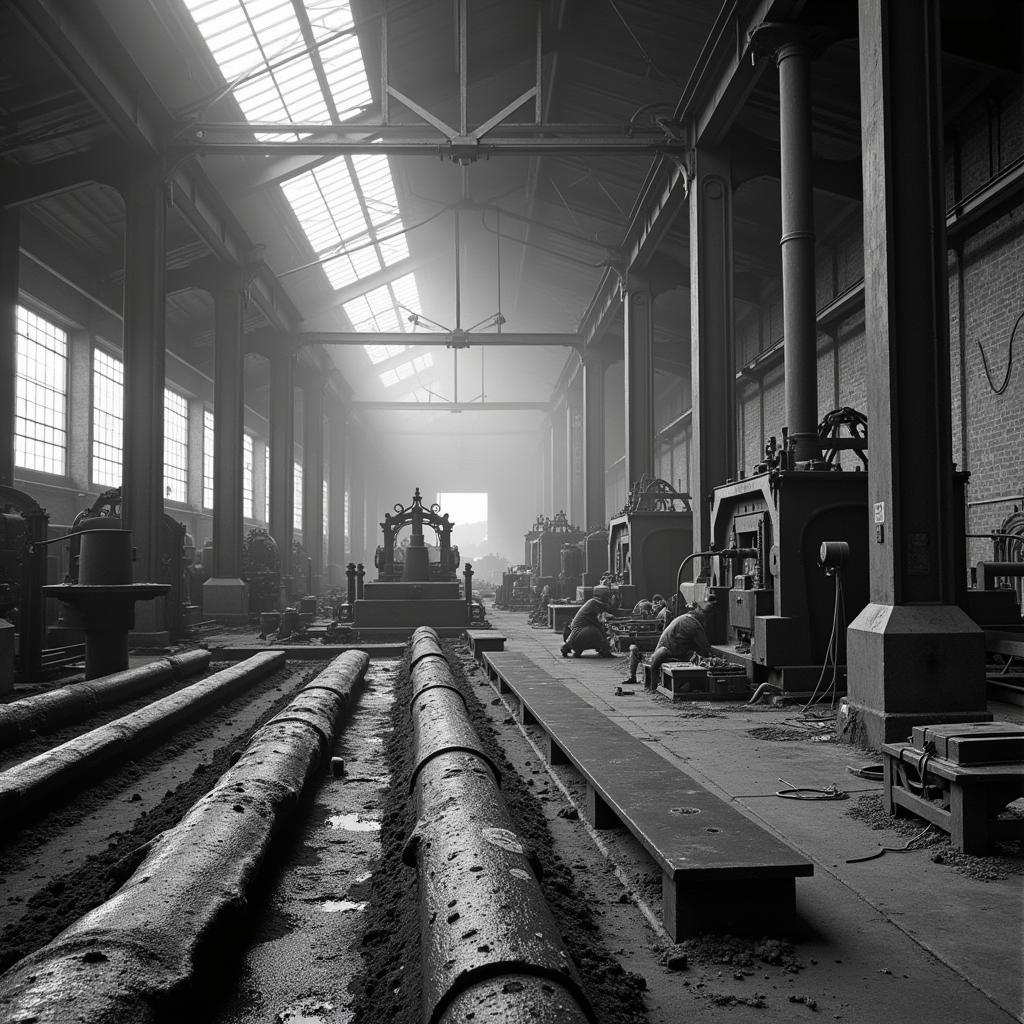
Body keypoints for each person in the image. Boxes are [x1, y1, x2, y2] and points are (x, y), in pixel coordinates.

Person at [622, 600, 714, 689]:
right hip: (667, 653)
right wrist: (711, 657)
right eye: (706, 614)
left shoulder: (683, 617)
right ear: (703, 614)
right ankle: (653, 685)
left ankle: (640, 679)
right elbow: (705, 648)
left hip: (663, 650)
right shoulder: (694, 625)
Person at [560, 586, 617, 657]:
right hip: (577, 633)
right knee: (595, 631)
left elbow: (604, 614)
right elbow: (599, 621)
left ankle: (602, 650)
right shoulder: (593, 603)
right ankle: (569, 647)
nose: (608, 597)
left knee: (599, 629)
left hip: (579, 631)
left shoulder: (595, 603)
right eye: (607, 595)